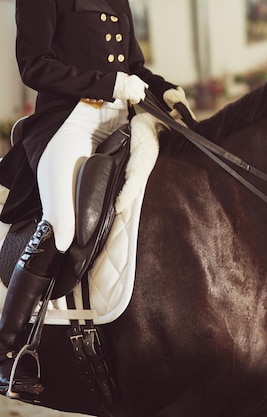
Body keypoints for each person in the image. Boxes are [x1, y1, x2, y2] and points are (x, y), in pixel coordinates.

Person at [0, 0, 194, 397]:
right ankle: (6, 350)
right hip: (69, 121)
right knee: (62, 224)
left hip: (118, 120)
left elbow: (132, 65)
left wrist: (163, 88)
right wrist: (109, 85)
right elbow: (34, 65)